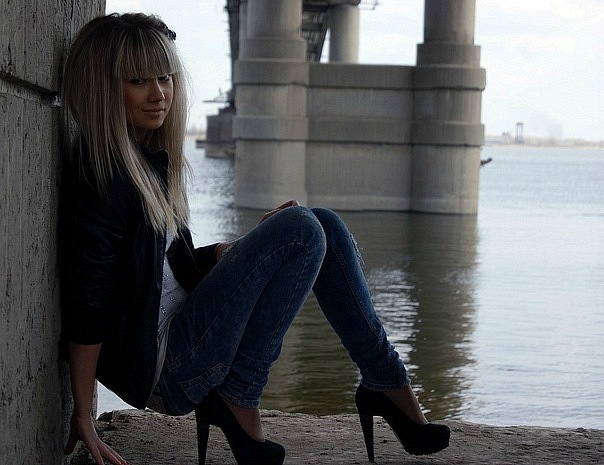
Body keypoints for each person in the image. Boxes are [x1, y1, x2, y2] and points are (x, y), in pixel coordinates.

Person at [60, 12, 450, 465]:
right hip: (167, 367)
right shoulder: (101, 173)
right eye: (138, 81)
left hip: (186, 333)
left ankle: (385, 380)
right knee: (301, 229)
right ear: (105, 88)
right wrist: (83, 413)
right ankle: (239, 394)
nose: (159, 93)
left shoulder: (146, 162)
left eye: (165, 77)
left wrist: (233, 253)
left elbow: (159, 271)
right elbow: (88, 299)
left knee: (321, 223)